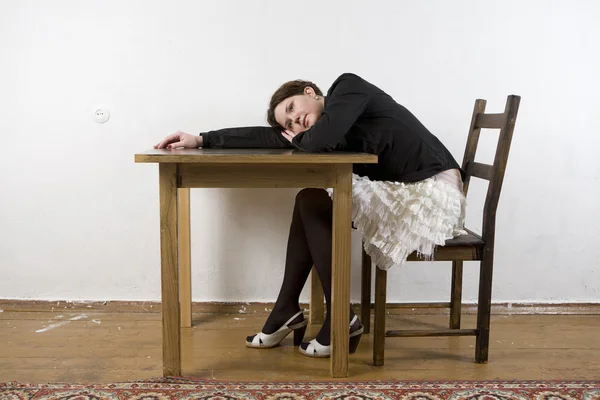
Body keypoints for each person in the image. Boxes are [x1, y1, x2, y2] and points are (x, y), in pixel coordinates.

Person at [154, 72, 466, 358]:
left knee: (311, 201)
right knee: (309, 198)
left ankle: (333, 314)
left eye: (291, 108)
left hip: (434, 193)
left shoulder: (348, 87)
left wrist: (304, 140)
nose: (294, 122)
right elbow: (268, 138)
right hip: (408, 190)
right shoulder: (321, 128)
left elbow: (320, 142)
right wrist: (201, 139)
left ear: (310, 92)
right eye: (287, 124)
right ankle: (291, 309)